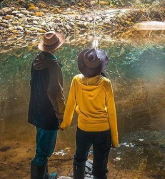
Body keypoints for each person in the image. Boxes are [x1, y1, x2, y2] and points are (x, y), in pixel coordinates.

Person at [60, 48, 118, 179]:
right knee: (101, 162)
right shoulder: (106, 83)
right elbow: (112, 112)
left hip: (83, 128)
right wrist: (114, 139)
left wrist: (65, 124)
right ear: (100, 67)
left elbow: (70, 105)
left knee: (80, 157)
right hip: (103, 130)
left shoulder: (76, 80)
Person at [28, 31, 66, 179]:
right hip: (48, 112)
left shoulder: (36, 60)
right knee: (45, 149)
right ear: (56, 47)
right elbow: (56, 92)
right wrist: (61, 113)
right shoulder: (54, 65)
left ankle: (44, 175)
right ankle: (40, 177)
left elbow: (33, 83)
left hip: (35, 108)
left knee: (40, 142)